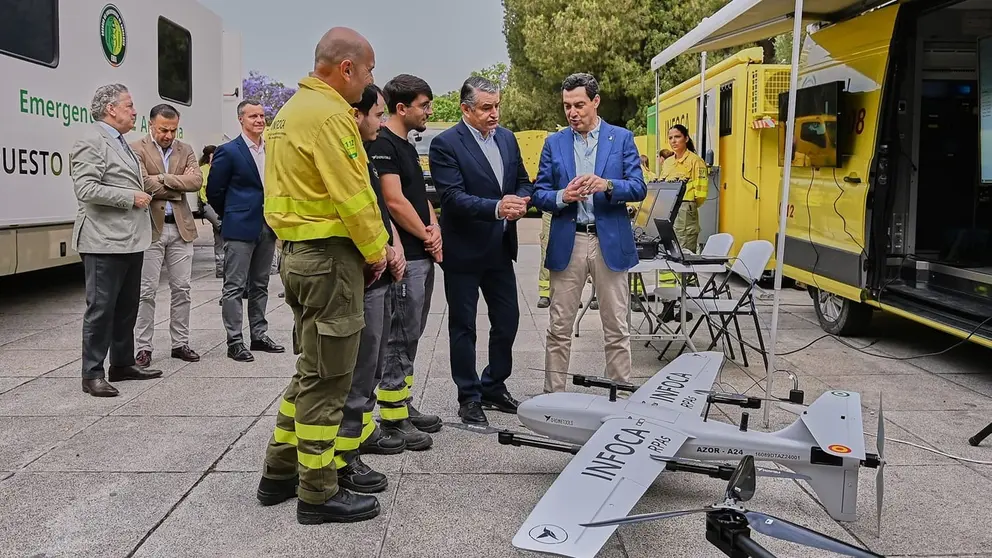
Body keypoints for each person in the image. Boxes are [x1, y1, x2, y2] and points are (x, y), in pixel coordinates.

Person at [257, 27, 392, 525]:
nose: (371, 79)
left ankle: (278, 474)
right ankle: (317, 492)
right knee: (330, 379)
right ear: (347, 68)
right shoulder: (332, 115)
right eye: (370, 69)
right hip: (331, 261)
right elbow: (354, 197)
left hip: (297, 256)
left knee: (310, 370)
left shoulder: (288, 112)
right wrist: (378, 252)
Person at [531, 73, 646, 393]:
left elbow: (639, 187)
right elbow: (539, 193)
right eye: (567, 106)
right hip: (570, 240)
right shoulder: (554, 143)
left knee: (617, 327)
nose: (572, 112)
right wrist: (561, 197)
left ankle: (620, 395)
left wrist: (607, 185)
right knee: (559, 327)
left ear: (596, 101)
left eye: (579, 104)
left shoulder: (621, 138)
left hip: (608, 240)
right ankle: (553, 397)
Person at [429, 75, 532, 425]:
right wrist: (496, 208)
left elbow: (522, 179)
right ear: (466, 109)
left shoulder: (507, 138)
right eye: (486, 108)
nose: (494, 114)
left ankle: (493, 384)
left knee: (508, 320)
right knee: (464, 326)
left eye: (497, 106)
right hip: (463, 251)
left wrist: (521, 199)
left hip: (500, 248)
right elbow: (452, 198)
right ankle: (468, 395)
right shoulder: (445, 144)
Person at [333, 84, 408, 494]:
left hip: (378, 270)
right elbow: (355, 213)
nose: (380, 123)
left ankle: (359, 436)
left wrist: (394, 245)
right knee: (357, 371)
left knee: (373, 364)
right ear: (357, 114)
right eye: (376, 115)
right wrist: (383, 251)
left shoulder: (363, 154)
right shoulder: (345, 153)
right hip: (360, 272)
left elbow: (378, 209)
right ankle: (344, 460)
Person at [70, 84, 161, 397]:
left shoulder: (123, 144)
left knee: (126, 307)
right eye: (129, 105)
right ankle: (91, 373)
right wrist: (129, 197)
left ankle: (122, 364)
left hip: (131, 240)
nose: (134, 111)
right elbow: (86, 189)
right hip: (102, 242)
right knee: (101, 308)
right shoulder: (91, 140)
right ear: (111, 109)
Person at [367, 74, 443, 445]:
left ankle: (404, 401)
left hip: (421, 253)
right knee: (398, 335)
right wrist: (427, 235)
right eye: (424, 105)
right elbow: (393, 200)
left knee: (412, 332)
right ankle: (394, 417)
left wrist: (434, 225)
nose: (428, 111)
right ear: (402, 108)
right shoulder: (382, 143)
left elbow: (418, 193)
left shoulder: (406, 144)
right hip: (407, 255)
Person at [206, 100, 285, 362]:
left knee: (261, 284)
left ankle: (259, 335)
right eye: (253, 116)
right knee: (234, 286)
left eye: (262, 116)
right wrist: (231, 213)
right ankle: (235, 341)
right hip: (240, 226)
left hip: (268, 225)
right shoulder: (229, 151)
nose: (259, 120)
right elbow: (214, 191)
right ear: (241, 119)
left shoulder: (272, 150)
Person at [131, 104, 203, 368]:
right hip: (150, 228)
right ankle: (143, 347)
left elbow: (196, 182)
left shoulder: (186, 149)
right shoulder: (136, 148)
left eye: (173, 130)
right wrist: (176, 183)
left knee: (182, 289)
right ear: (150, 125)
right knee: (146, 292)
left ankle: (180, 343)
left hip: (181, 228)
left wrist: (161, 178)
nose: (168, 135)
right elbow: (141, 183)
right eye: (163, 130)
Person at [657, 125, 707, 253]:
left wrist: (689, 205)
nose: (673, 141)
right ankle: (669, 273)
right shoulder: (668, 162)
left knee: (684, 246)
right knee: (667, 246)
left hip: (685, 208)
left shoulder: (695, 161)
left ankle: (685, 274)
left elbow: (701, 191)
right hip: (667, 208)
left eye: (677, 137)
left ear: (686, 138)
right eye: (670, 138)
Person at [198, 145, 225, 278]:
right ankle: (223, 267)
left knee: (219, 237)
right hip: (208, 205)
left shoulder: (220, 169)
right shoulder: (203, 170)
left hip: (221, 205)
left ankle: (221, 269)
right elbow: (201, 190)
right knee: (223, 228)